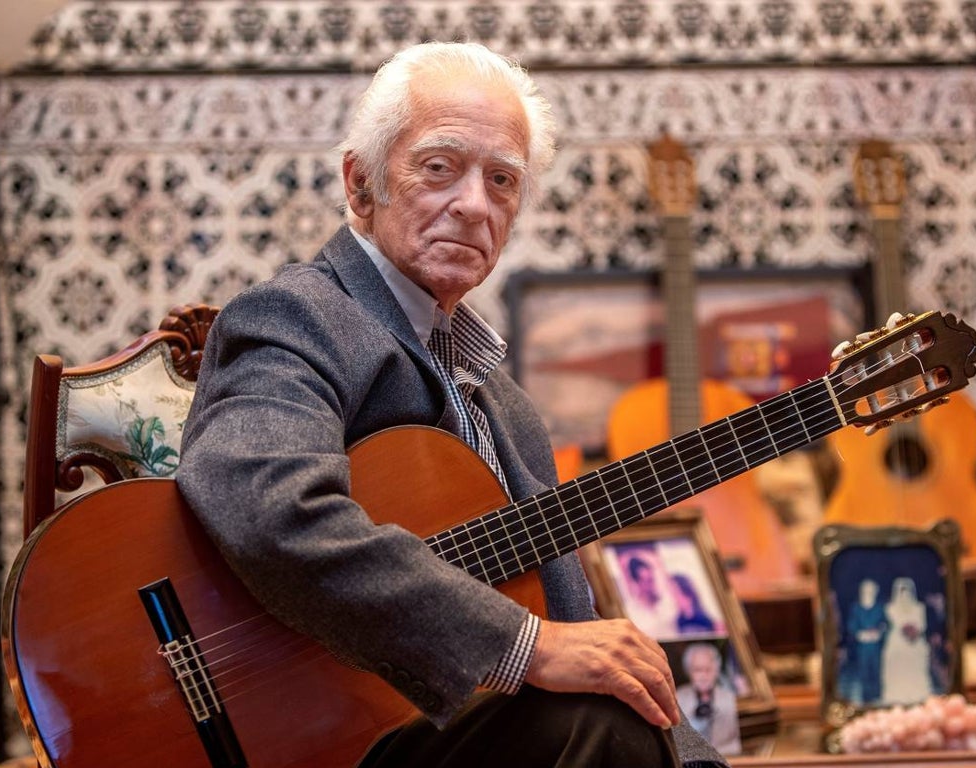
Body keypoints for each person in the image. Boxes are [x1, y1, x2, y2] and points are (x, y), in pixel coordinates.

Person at [175, 42, 725, 768]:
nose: (474, 204)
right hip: (285, 736)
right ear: (361, 183)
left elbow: (575, 623)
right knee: (599, 731)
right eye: (440, 167)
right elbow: (271, 514)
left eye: (502, 180)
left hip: (432, 730)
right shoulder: (294, 317)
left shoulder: (509, 409)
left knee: (613, 712)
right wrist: (522, 646)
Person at [675, 643, 741, 755]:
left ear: (716, 671)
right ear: (689, 672)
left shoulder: (731, 698)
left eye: (708, 670)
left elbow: (737, 743)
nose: (703, 676)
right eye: (698, 670)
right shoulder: (678, 698)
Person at [880, 577, 933, 704]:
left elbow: (922, 625)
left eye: (907, 592)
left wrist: (915, 632)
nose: (905, 595)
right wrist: (904, 630)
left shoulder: (919, 607)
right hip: (897, 642)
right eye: (901, 592)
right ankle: (897, 696)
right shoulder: (890, 608)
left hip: (915, 642)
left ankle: (917, 695)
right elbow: (893, 624)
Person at [845, 579, 887, 705]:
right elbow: (851, 625)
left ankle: (877, 694)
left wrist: (879, 632)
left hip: (876, 645)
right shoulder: (856, 607)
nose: (869, 593)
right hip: (862, 645)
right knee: (864, 669)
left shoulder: (879, 607)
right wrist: (859, 633)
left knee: (877, 668)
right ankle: (866, 696)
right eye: (866, 591)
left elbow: (885, 623)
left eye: (871, 591)